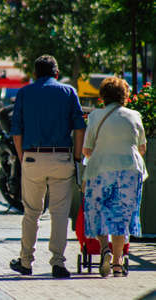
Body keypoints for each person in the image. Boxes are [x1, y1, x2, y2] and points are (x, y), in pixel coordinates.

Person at [9, 55, 86, 278]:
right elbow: (79, 127)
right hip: (62, 157)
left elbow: (16, 132)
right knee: (60, 213)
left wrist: (23, 158)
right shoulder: (68, 92)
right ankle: (58, 264)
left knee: (31, 212)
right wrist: (77, 157)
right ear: (56, 73)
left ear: (35, 73)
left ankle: (25, 262)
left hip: (33, 157)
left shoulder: (24, 93)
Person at [82, 77, 147, 278]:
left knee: (98, 211)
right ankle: (118, 264)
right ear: (124, 96)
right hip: (129, 171)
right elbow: (142, 147)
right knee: (121, 216)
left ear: (102, 96)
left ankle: (105, 250)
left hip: (101, 170)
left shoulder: (95, 117)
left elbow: (86, 149)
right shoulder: (134, 115)